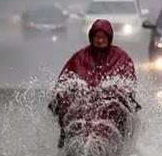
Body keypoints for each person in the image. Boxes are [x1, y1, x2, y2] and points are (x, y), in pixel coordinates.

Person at [50, 19, 138, 147]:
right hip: (84, 102)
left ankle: (120, 146)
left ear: (109, 38)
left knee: (121, 107)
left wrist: (112, 92)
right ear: (91, 37)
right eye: (97, 37)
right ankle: (67, 136)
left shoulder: (121, 57)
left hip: (107, 104)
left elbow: (128, 82)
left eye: (103, 37)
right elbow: (65, 80)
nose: (100, 40)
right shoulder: (79, 57)